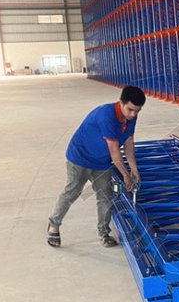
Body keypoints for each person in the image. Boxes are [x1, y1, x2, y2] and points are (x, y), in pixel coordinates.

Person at [46, 85, 146, 248]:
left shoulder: (131, 117)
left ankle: (104, 233)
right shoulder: (107, 116)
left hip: (101, 162)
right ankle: (53, 224)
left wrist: (134, 170)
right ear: (121, 102)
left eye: (137, 111)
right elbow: (114, 152)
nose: (133, 114)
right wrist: (126, 176)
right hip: (80, 158)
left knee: (105, 195)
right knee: (72, 192)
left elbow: (128, 143)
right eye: (130, 110)